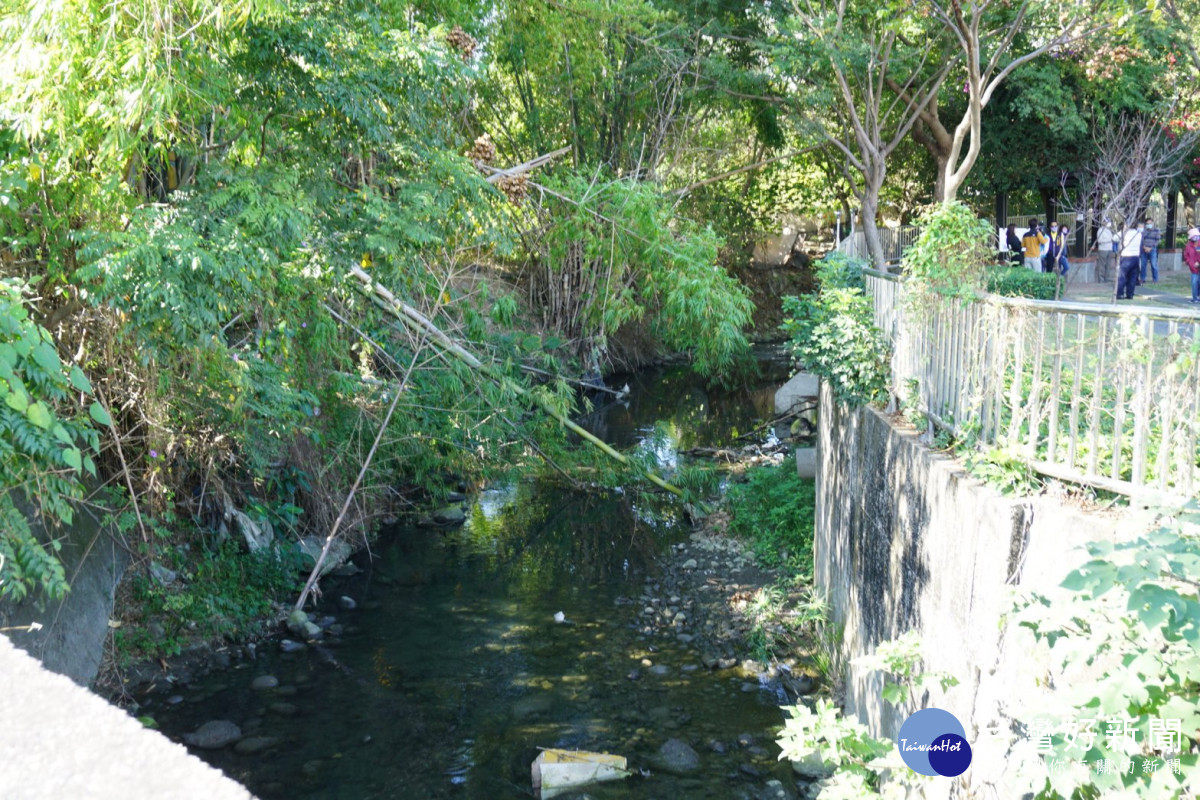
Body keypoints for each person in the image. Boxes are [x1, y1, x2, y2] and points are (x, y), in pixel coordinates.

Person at [1117, 224, 1142, 300]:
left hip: (1126, 256)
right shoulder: (1139, 233)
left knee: (1122, 276)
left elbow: (1114, 238)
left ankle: (1120, 294)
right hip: (1136, 257)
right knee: (1133, 277)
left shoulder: (1124, 232)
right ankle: (1130, 294)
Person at [1139, 217, 1161, 283]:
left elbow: (1158, 240)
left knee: (1154, 265)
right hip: (1144, 250)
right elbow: (1141, 240)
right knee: (1143, 265)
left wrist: (1151, 248)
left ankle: (1155, 279)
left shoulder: (1157, 230)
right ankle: (1142, 279)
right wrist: (1144, 247)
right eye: (1147, 223)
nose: (1149, 224)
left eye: (1150, 223)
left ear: (1153, 223)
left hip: (1153, 249)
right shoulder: (1143, 231)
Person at [1093, 218, 1115, 283]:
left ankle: (1107, 278)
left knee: (1108, 265)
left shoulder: (1110, 230)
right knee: (1102, 265)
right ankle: (1101, 279)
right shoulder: (1100, 230)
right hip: (1103, 249)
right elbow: (1099, 240)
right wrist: (1109, 240)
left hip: (1109, 249)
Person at [1186, 227, 1200, 303]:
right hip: (1193, 268)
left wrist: (1198, 262)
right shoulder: (1188, 246)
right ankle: (1195, 298)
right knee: (1194, 283)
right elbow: (1186, 256)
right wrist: (1189, 263)